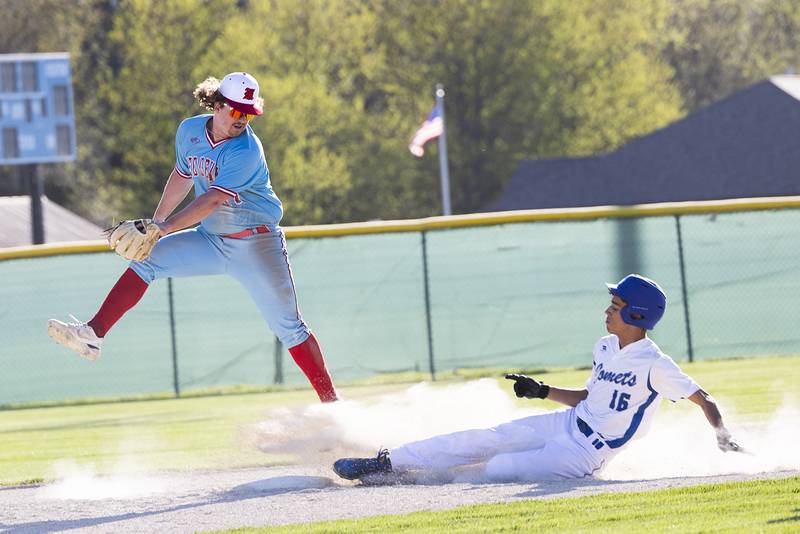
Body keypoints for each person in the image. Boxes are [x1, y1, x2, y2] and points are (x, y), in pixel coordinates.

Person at [47, 72, 339, 403]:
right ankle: (92, 334)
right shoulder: (189, 131)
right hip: (212, 240)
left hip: (257, 245)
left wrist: (164, 229)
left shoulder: (246, 150)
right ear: (216, 104)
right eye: (236, 110)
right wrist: (156, 224)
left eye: (248, 113)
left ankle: (332, 405)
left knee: (289, 328)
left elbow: (212, 199)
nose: (242, 119)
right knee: (146, 260)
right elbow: (182, 175)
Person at [333, 274, 743, 481]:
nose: (608, 309)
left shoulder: (655, 363)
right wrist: (542, 390)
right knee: (487, 438)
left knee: (498, 469)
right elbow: (587, 399)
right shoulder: (604, 346)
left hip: (586, 455)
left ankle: (420, 479)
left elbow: (703, 399)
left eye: (616, 305)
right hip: (566, 423)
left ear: (638, 315)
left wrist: (723, 436)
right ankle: (388, 463)